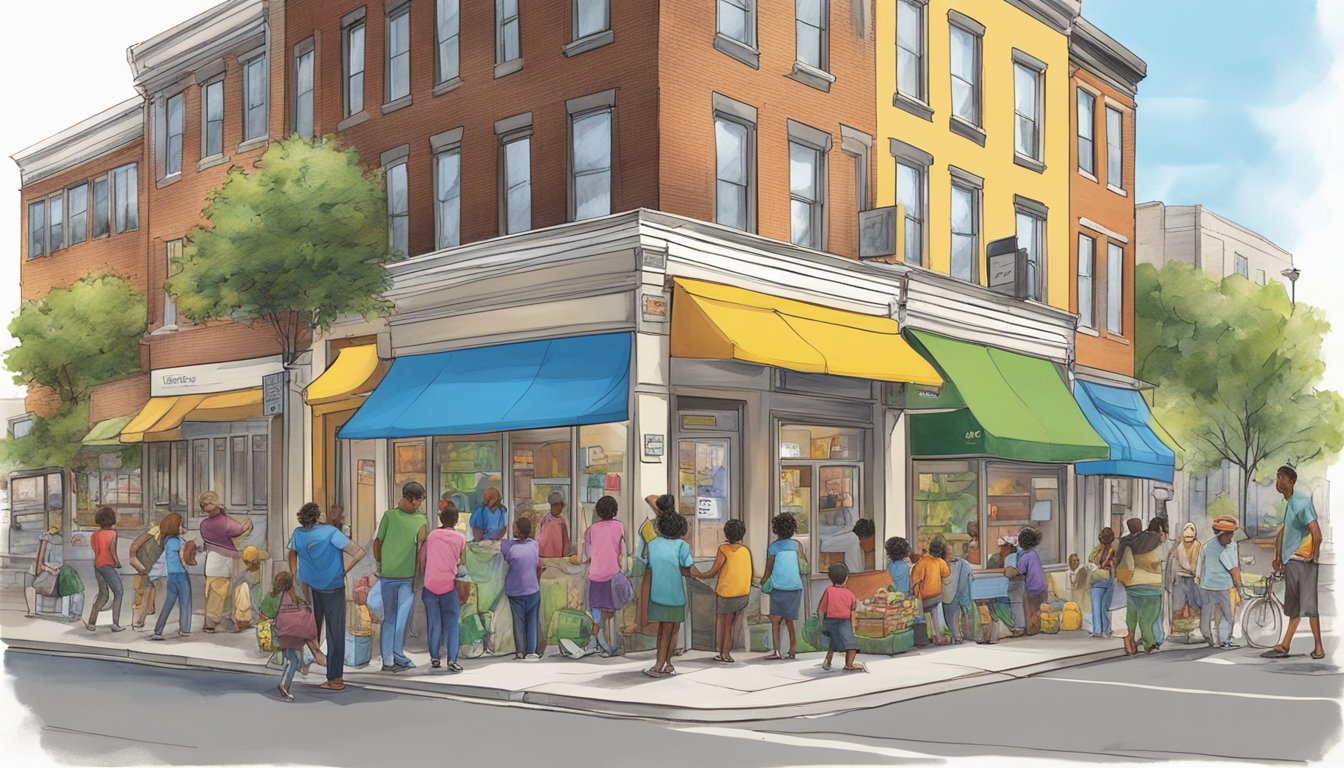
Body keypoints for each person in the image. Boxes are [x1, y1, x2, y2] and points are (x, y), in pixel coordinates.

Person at [289, 501, 364, 689]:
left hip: (310, 588)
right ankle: (335, 678)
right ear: (317, 517)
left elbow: (292, 553)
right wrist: (343, 570)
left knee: (309, 628)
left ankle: (304, 662)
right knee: (335, 632)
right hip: (333, 587)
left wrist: (294, 574)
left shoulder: (298, 534)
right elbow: (358, 552)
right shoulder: (330, 533)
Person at [1263, 465, 1324, 660]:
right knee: (1294, 607)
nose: (1278, 481)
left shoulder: (1302, 502)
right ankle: (1285, 645)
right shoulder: (1290, 502)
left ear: (1291, 481)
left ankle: (1319, 648)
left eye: (1281, 478)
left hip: (1303, 562)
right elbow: (1285, 531)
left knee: (1309, 607)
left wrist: (1312, 558)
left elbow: (1316, 533)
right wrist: (1278, 556)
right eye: (1277, 477)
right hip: (1293, 562)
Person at [374, 482, 428, 672]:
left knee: (401, 619)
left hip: (408, 578)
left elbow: (422, 550)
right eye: (417, 501)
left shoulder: (422, 520)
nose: (418, 505)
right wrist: (380, 564)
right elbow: (377, 542)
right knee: (389, 618)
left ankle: (396, 655)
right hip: (388, 577)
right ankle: (388, 659)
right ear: (409, 498)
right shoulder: (390, 516)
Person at [643, 512, 694, 677]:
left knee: (663, 631)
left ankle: (661, 663)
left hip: (657, 593)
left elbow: (647, 563)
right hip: (675, 595)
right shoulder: (682, 545)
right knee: (672, 630)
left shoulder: (652, 544)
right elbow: (688, 566)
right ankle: (664, 664)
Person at [694, 518, 751, 663]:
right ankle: (728, 650)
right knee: (733, 623)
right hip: (743, 593)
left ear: (726, 533)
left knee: (725, 623)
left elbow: (713, 572)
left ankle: (724, 653)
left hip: (727, 593)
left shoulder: (723, 549)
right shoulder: (745, 551)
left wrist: (697, 574)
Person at [197, 490, 252, 634]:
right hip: (224, 562)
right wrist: (247, 525)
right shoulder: (226, 522)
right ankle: (218, 622)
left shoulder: (203, 525)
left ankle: (211, 622)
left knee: (212, 593)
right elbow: (239, 530)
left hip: (211, 561)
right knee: (223, 593)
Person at [579, 495, 626, 657]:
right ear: (615, 511)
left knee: (596, 613)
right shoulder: (620, 527)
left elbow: (586, 555)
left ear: (598, 512)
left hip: (596, 576)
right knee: (610, 613)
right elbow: (623, 552)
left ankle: (595, 643)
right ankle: (610, 647)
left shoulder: (591, 530)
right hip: (613, 575)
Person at [421, 502, 466, 671]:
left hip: (430, 586)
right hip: (448, 586)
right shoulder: (460, 539)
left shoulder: (432, 535)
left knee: (434, 623)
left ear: (440, 518)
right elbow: (460, 561)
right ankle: (452, 660)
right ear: (456, 520)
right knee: (452, 623)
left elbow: (423, 557)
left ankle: (434, 658)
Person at [1116, 517, 1166, 655]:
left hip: (1132, 584)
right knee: (1148, 616)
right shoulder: (1153, 539)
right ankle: (1149, 643)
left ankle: (1131, 642)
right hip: (1152, 584)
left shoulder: (1125, 542)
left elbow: (1118, 560)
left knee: (1132, 615)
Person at [761, 512, 805, 660]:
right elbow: (802, 565)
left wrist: (764, 580)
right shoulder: (797, 546)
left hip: (778, 587)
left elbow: (769, 567)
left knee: (775, 621)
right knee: (789, 620)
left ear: (776, 530)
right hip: (795, 588)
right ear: (793, 530)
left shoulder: (773, 548)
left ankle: (777, 651)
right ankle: (792, 649)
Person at [1197, 515, 1244, 649]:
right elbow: (1234, 568)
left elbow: (1201, 566)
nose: (1231, 538)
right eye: (1229, 534)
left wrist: (1199, 579)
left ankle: (1210, 638)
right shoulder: (1230, 547)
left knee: (1209, 613)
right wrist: (1239, 583)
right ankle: (1222, 641)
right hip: (1222, 586)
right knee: (1226, 615)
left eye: (1232, 534)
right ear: (1221, 534)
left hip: (1208, 585)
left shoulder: (1207, 546)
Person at [502, 517, 542, 660]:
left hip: (515, 590)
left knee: (518, 622)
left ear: (516, 530)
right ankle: (532, 651)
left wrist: (503, 531)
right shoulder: (534, 545)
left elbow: (500, 542)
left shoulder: (509, 547)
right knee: (532, 621)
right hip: (533, 589)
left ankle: (520, 651)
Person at [262, 571, 304, 701]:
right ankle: (284, 686)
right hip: (286, 634)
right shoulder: (286, 597)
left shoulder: (270, 596)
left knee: (293, 658)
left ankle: (283, 683)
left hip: (277, 632)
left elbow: (263, 611)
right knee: (295, 660)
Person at [150, 513, 192, 640]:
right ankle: (184, 629)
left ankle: (158, 629)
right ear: (174, 526)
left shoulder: (167, 541)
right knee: (185, 602)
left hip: (171, 576)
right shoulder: (177, 541)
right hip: (181, 575)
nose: (182, 527)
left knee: (169, 602)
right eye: (180, 524)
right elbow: (182, 556)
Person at [85, 506, 125, 632]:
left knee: (103, 594)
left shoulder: (95, 535)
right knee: (119, 591)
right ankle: (115, 623)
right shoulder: (113, 533)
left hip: (97, 564)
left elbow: (95, 549)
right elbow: (112, 550)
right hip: (107, 564)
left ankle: (91, 622)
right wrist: (117, 562)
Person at [818, 564, 864, 672]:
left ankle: (828, 659)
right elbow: (853, 609)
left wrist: (821, 623)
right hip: (844, 622)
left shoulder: (828, 591)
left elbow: (822, 609)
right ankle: (849, 665)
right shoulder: (849, 594)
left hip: (830, 621)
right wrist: (854, 624)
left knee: (833, 642)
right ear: (846, 578)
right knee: (851, 645)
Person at [24, 523, 71, 621]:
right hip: (51, 568)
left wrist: (46, 568)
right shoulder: (55, 539)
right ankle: (32, 610)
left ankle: (32, 610)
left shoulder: (48, 538)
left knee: (29, 582)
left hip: (50, 570)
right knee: (30, 578)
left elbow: (42, 560)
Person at [1008, 527, 1047, 636]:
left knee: (1029, 610)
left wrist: (1009, 571)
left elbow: (1018, 571)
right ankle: (1037, 627)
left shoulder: (1024, 557)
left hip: (1031, 589)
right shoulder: (1034, 554)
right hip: (1042, 587)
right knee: (1037, 611)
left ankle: (1030, 630)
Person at [129, 520, 167, 631]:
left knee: (149, 587)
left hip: (151, 566)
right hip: (144, 564)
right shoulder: (156, 531)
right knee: (142, 590)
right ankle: (138, 621)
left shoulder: (164, 534)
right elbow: (136, 545)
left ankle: (148, 610)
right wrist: (133, 557)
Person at [912, 539, 951, 643]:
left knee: (922, 614)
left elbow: (915, 580)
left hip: (924, 597)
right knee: (934, 613)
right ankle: (937, 636)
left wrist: (916, 595)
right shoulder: (940, 562)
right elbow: (946, 574)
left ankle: (925, 636)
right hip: (936, 595)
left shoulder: (922, 562)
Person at [941, 539, 977, 643]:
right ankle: (954, 634)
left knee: (954, 612)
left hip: (955, 592)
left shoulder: (960, 563)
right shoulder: (942, 563)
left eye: (951, 551)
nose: (950, 554)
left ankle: (956, 634)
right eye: (948, 552)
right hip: (945, 592)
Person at [1170, 522, 1203, 624]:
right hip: (1180, 577)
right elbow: (1174, 562)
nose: (1188, 540)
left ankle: (1192, 627)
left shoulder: (1197, 545)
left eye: (1190, 537)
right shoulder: (1178, 546)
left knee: (1194, 602)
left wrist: (1196, 575)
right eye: (1186, 537)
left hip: (1192, 578)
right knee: (1178, 603)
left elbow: (1196, 563)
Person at [1088, 528, 1117, 638]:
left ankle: (1097, 630)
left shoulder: (1098, 549)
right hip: (1108, 578)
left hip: (1097, 579)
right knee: (1105, 606)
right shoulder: (1112, 550)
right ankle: (1105, 630)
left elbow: (1096, 562)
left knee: (1096, 606)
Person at [536, 491, 572, 559]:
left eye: (560, 506)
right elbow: (538, 535)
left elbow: (565, 540)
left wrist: (566, 554)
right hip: (543, 555)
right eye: (555, 506)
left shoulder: (562, 521)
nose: (558, 508)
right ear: (552, 506)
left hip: (558, 556)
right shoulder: (545, 519)